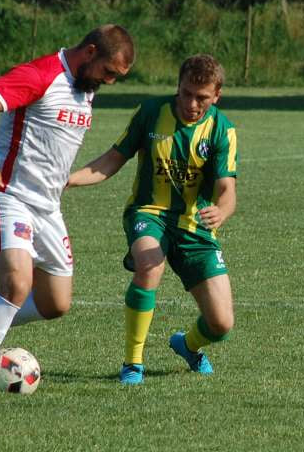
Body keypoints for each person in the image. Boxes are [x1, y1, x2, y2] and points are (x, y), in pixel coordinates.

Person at [0, 25, 136, 399]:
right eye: (108, 72)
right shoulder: (41, 75)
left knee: (56, 303)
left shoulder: (85, 87)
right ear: (90, 52)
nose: (109, 81)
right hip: (8, 194)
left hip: (48, 207)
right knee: (16, 284)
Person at [66, 53, 238, 385]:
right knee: (150, 263)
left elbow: (227, 188)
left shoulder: (222, 130)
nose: (191, 103)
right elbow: (113, 159)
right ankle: (133, 363)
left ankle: (187, 346)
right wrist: (70, 179)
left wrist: (222, 210)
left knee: (221, 324)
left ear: (216, 95)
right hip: (149, 213)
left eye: (201, 97)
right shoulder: (150, 113)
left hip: (193, 225)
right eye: (186, 93)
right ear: (178, 86)